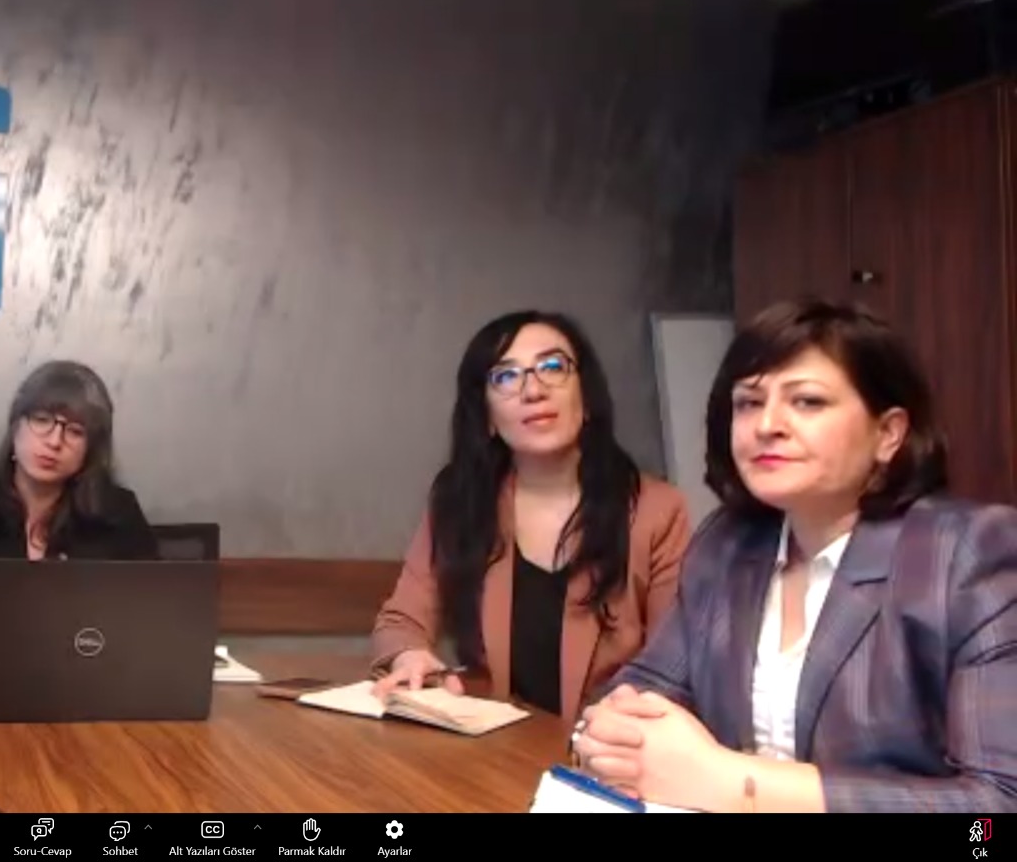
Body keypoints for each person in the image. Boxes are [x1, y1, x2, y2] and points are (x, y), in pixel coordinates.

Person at [574, 300, 1017, 813]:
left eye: (807, 401)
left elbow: (996, 810)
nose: (767, 424)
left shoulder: (968, 552)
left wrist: (733, 785)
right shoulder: (728, 542)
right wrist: (607, 731)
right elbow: (647, 687)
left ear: (888, 434)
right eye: (748, 403)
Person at [370, 310, 690, 729]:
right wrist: (410, 655)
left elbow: (674, 668)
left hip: (608, 747)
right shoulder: (461, 501)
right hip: (492, 747)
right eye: (506, 376)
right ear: (486, 415)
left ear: (586, 397)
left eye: (552, 367)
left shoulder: (657, 511)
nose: (533, 390)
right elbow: (402, 620)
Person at [0, 360, 158, 654]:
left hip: (92, 678)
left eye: (75, 431)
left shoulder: (118, 514)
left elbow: (150, 624)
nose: (54, 441)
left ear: (90, 450)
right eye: (42, 420)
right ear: (15, 425)